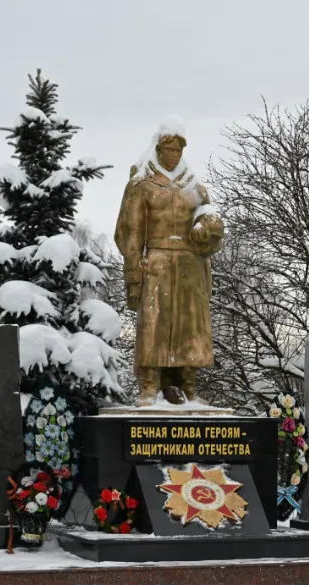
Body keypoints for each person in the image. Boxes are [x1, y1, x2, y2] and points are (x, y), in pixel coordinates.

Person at [114, 116, 225, 406]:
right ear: (159, 149)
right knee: (154, 323)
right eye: (170, 149)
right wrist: (133, 274)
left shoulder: (194, 186)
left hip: (190, 267)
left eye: (179, 150)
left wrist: (208, 228)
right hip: (157, 263)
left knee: (190, 326)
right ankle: (149, 385)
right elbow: (129, 231)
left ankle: (188, 386)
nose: (175, 154)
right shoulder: (142, 183)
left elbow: (210, 217)